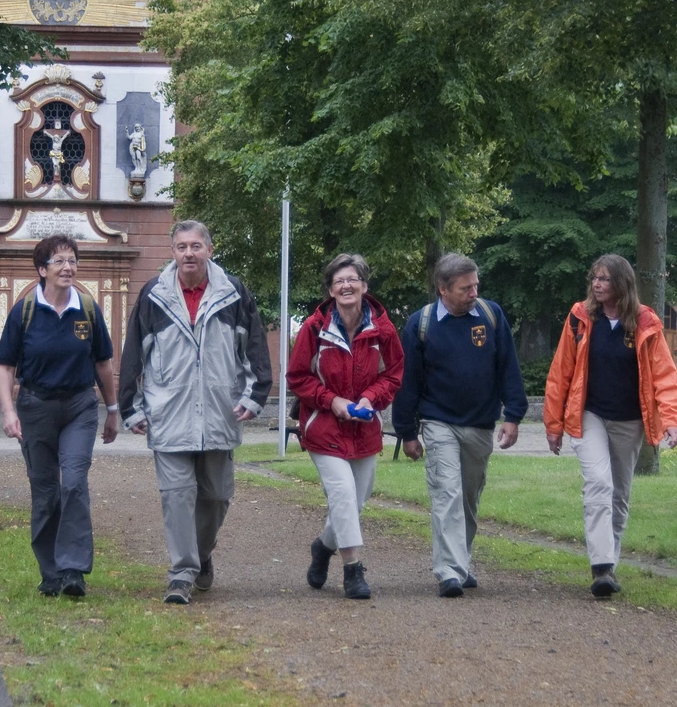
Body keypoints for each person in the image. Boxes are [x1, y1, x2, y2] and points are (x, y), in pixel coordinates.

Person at [119, 220, 272, 604]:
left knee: (217, 495)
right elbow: (133, 353)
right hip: (168, 412)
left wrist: (255, 395)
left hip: (219, 411)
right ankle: (182, 573)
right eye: (182, 247)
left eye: (196, 246)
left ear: (210, 249)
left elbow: (253, 346)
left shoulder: (233, 293)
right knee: (177, 495)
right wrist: (130, 407)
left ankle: (202, 554)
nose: (189, 253)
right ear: (172, 252)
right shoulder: (154, 294)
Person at [392, 253, 527, 598]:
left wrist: (513, 415)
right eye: (466, 288)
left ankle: (460, 561)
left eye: (476, 286)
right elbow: (408, 382)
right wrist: (407, 432)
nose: (473, 293)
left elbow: (508, 367)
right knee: (446, 493)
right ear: (443, 289)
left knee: (468, 497)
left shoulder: (491, 315)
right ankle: (449, 571)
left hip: (480, 424)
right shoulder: (420, 325)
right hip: (439, 423)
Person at [543, 254, 677, 597]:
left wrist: (671, 420)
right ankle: (600, 566)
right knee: (598, 483)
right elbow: (561, 372)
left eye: (604, 279)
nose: (596, 285)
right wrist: (553, 423)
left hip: (630, 420)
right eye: (594, 279)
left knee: (619, 494)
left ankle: (610, 565)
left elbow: (664, 376)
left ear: (622, 284)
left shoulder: (645, 322)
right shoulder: (580, 317)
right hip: (589, 415)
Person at [0, 235, 119, 598]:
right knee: (46, 490)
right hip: (35, 407)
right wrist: (8, 411)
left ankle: (73, 570)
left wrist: (112, 410)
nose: (68, 267)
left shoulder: (89, 309)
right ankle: (50, 572)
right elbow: (4, 366)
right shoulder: (25, 311)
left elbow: (103, 364)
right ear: (42, 269)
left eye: (72, 260)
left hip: (80, 406)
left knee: (75, 483)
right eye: (59, 261)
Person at [286, 254, 404, 599]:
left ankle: (323, 547)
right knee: (341, 493)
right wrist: (332, 401)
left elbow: (394, 374)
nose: (346, 285)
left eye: (352, 279)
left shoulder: (383, 329)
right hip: (323, 427)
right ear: (330, 289)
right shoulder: (314, 328)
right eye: (339, 281)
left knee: (357, 500)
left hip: (364, 430)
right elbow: (298, 377)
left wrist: (370, 398)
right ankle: (353, 570)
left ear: (365, 286)